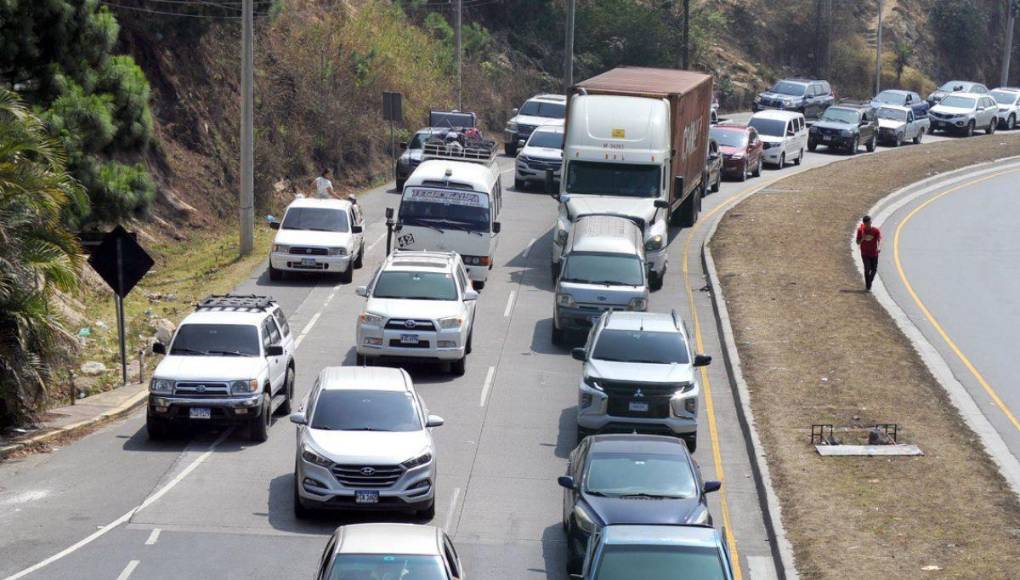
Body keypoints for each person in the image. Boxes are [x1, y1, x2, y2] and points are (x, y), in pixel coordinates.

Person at [856, 215, 881, 291]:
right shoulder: (861, 231)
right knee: (867, 268)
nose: (869, 224)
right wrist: (863, 238)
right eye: (868, 223)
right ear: (864, 223)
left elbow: (878, 240)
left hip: (874, 253)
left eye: (870, 222)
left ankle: (869, 282)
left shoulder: (876, 230)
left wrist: (878, 247)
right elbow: (857, 242)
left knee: (874, 269)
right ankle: (868, 286)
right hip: (865, 253)